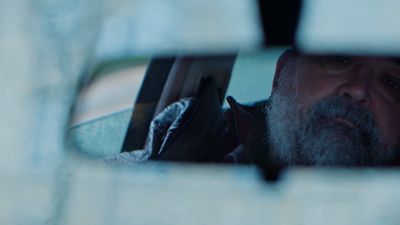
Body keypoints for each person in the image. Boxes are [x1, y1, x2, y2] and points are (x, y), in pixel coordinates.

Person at [108, 50, 400, 167]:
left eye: (391, 82)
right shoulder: (184, 144)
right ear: (281, 75)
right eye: (340, 60)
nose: (360, 90)